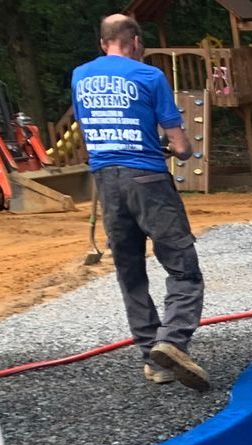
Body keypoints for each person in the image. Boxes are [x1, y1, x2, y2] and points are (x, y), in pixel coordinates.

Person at [71, 15, 209, 391]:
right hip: (147, 180)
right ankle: (173, 341)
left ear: (104, 43)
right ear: (134, 42)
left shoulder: (80, 76)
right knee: (182, 267)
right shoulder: (149, 77)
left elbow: (91, 128)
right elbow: (180, 146)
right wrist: (181, 151)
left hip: (106, 181)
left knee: (130, 272)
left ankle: (153, 358)